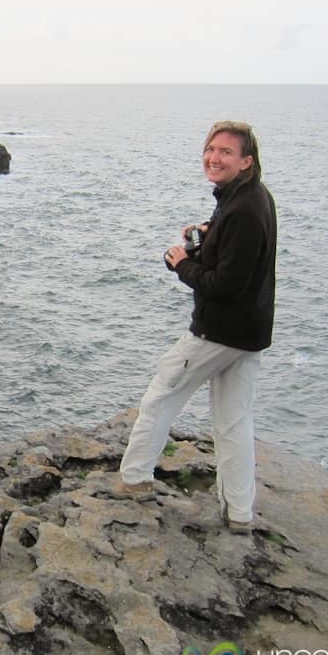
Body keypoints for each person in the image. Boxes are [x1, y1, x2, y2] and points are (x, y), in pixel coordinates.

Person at [116, 121, 277, 534]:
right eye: (211, 149)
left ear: (246, 161)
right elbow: (238, 257)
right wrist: (209, 235)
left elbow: (225, 285)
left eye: (226, 152)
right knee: (234, 422)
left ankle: (134, 479)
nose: (214, 157)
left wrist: (181, 263)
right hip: (249, 334)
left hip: (217, 333)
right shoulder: (251, 199)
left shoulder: (242, 210)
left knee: (161, 394)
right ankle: (239, 513)